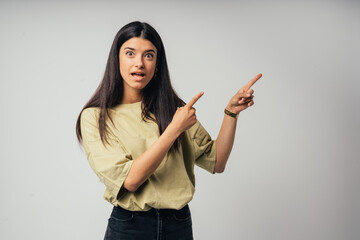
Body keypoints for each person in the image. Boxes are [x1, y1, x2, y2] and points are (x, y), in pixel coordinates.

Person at [75, 21, 262, 240]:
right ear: (116, 59)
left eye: (149, 55)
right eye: (130, 53)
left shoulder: (173, 110)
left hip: (178, 224)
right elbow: (130, 181)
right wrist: (174, 129)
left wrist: (231, 113)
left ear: (157, 64)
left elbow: (217, 162)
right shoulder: (96, 117)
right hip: (130, 226)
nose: (140, 63)